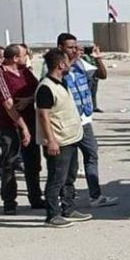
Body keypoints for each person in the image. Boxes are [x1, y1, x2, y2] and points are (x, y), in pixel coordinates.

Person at [56, 34, 118, 208]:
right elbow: (57, 77)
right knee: (70, 163)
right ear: (60, 47)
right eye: (70, 47)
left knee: (91, 154)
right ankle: (66, 197)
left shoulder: (82, 64)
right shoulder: (54, 64)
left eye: (76, 47)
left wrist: (98, 60)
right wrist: (72, 60)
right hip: (67, 121)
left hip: (84, 120)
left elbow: (102, 75)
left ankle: (95, 195)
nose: (75, 50)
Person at [35, 48, 93, 228]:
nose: (70, 64)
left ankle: (68, 208)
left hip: (70, 137)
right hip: (58, 141)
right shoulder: (46, 87)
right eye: (67, 62)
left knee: (69, 176)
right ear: (61, 64)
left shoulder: (61, 82)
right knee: (56, 178)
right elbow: (43, 116)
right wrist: (51, 140)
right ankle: (52, 215)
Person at [0, 44, 43, 214]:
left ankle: (35, 197)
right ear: (15, 57)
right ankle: (9, 202)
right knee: (10, 163)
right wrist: (23, 127)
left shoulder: (25, 71)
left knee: (33, 162)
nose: (27, 57)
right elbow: (8, 104)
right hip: (9, 125)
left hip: (31, 121)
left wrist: (28, 99)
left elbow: (39, 89)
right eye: (25, 55)